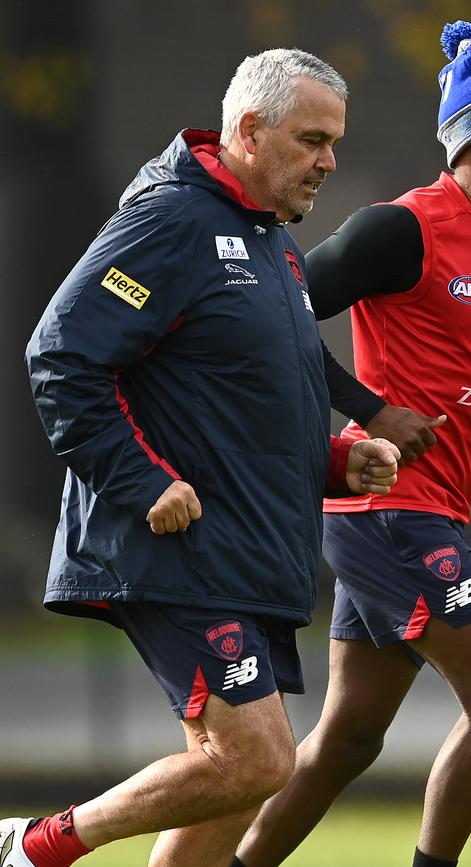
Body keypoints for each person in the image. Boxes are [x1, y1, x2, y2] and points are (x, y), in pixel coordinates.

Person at [232, 21, 471, 867]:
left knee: (345, 742)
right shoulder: (401, 229)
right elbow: (274, 313)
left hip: (426, 512)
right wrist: (368, 409)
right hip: (388, 509)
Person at [2, 49, 402, 867]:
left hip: (242, 554)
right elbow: (61, 356)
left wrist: (333, 462)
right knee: (256, 757)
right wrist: (141, 479)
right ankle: (33, 846)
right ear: (249, 131)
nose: (329, 160)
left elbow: (239, 406)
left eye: (335, 141)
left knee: (238, 777)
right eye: (312, 139)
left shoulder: (275, 246)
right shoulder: (171, 221)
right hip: (173, 549)